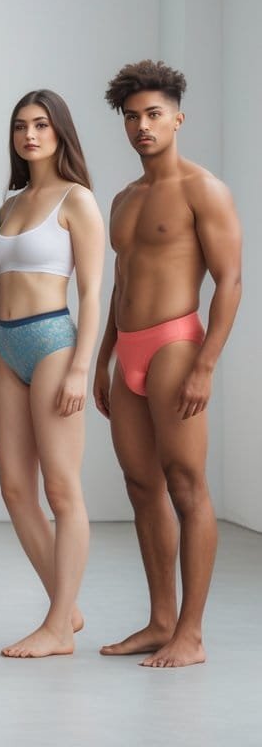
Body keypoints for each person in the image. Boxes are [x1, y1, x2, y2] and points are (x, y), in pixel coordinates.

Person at [94, 60, 241, 668]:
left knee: (185, 484)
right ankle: (159, 620)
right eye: (132, 117)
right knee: (140, 485)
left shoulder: (202, 188)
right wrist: (103, 357)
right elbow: (121, 283)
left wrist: (206, 365)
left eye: (154, 114)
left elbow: (230, 280)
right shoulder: (125, 199)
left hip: (177, 344)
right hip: (126, 348)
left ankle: (192, 633)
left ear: (178, 117)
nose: (142, 126)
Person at [0, 90, 103, 658]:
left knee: (61, 489)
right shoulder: (8, 204)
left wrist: (81, 366)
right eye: (20, 126)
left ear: (60, 131)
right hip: (7, 351)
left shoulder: (77, 199)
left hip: (54, 342)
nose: (30, 135)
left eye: (41, 125)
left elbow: (92, 292)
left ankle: (58, 627)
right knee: (14, 489)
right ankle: (66, 605)